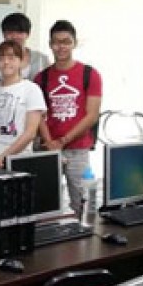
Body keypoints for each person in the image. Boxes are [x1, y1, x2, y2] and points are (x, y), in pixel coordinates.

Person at [35, 20, 103, 214]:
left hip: (79, 151)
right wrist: (50, 142)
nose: (61, 46)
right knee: (46, 206)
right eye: (56, 42)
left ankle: (87, 242)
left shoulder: (90, 74)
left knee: (84, 207)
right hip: (48, 150)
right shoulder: (41, 78)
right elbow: (39, 115)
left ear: (75, 43)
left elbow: (92, 115)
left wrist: (63, 141)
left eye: (66, 41)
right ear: (50, 44)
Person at [0, 40, 47, 169]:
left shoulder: (31, 89)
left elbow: (30, 133)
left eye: (11, 57)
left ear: (21, 61)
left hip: (19, 160)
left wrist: (2, 157)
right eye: (1, 58)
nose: (6, 62)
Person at [1, 12, 51, 80]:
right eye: (10, 32)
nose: (15, 36)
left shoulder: (41, 59)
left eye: (20, 32)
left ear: (28, 34)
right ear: (3, 34)